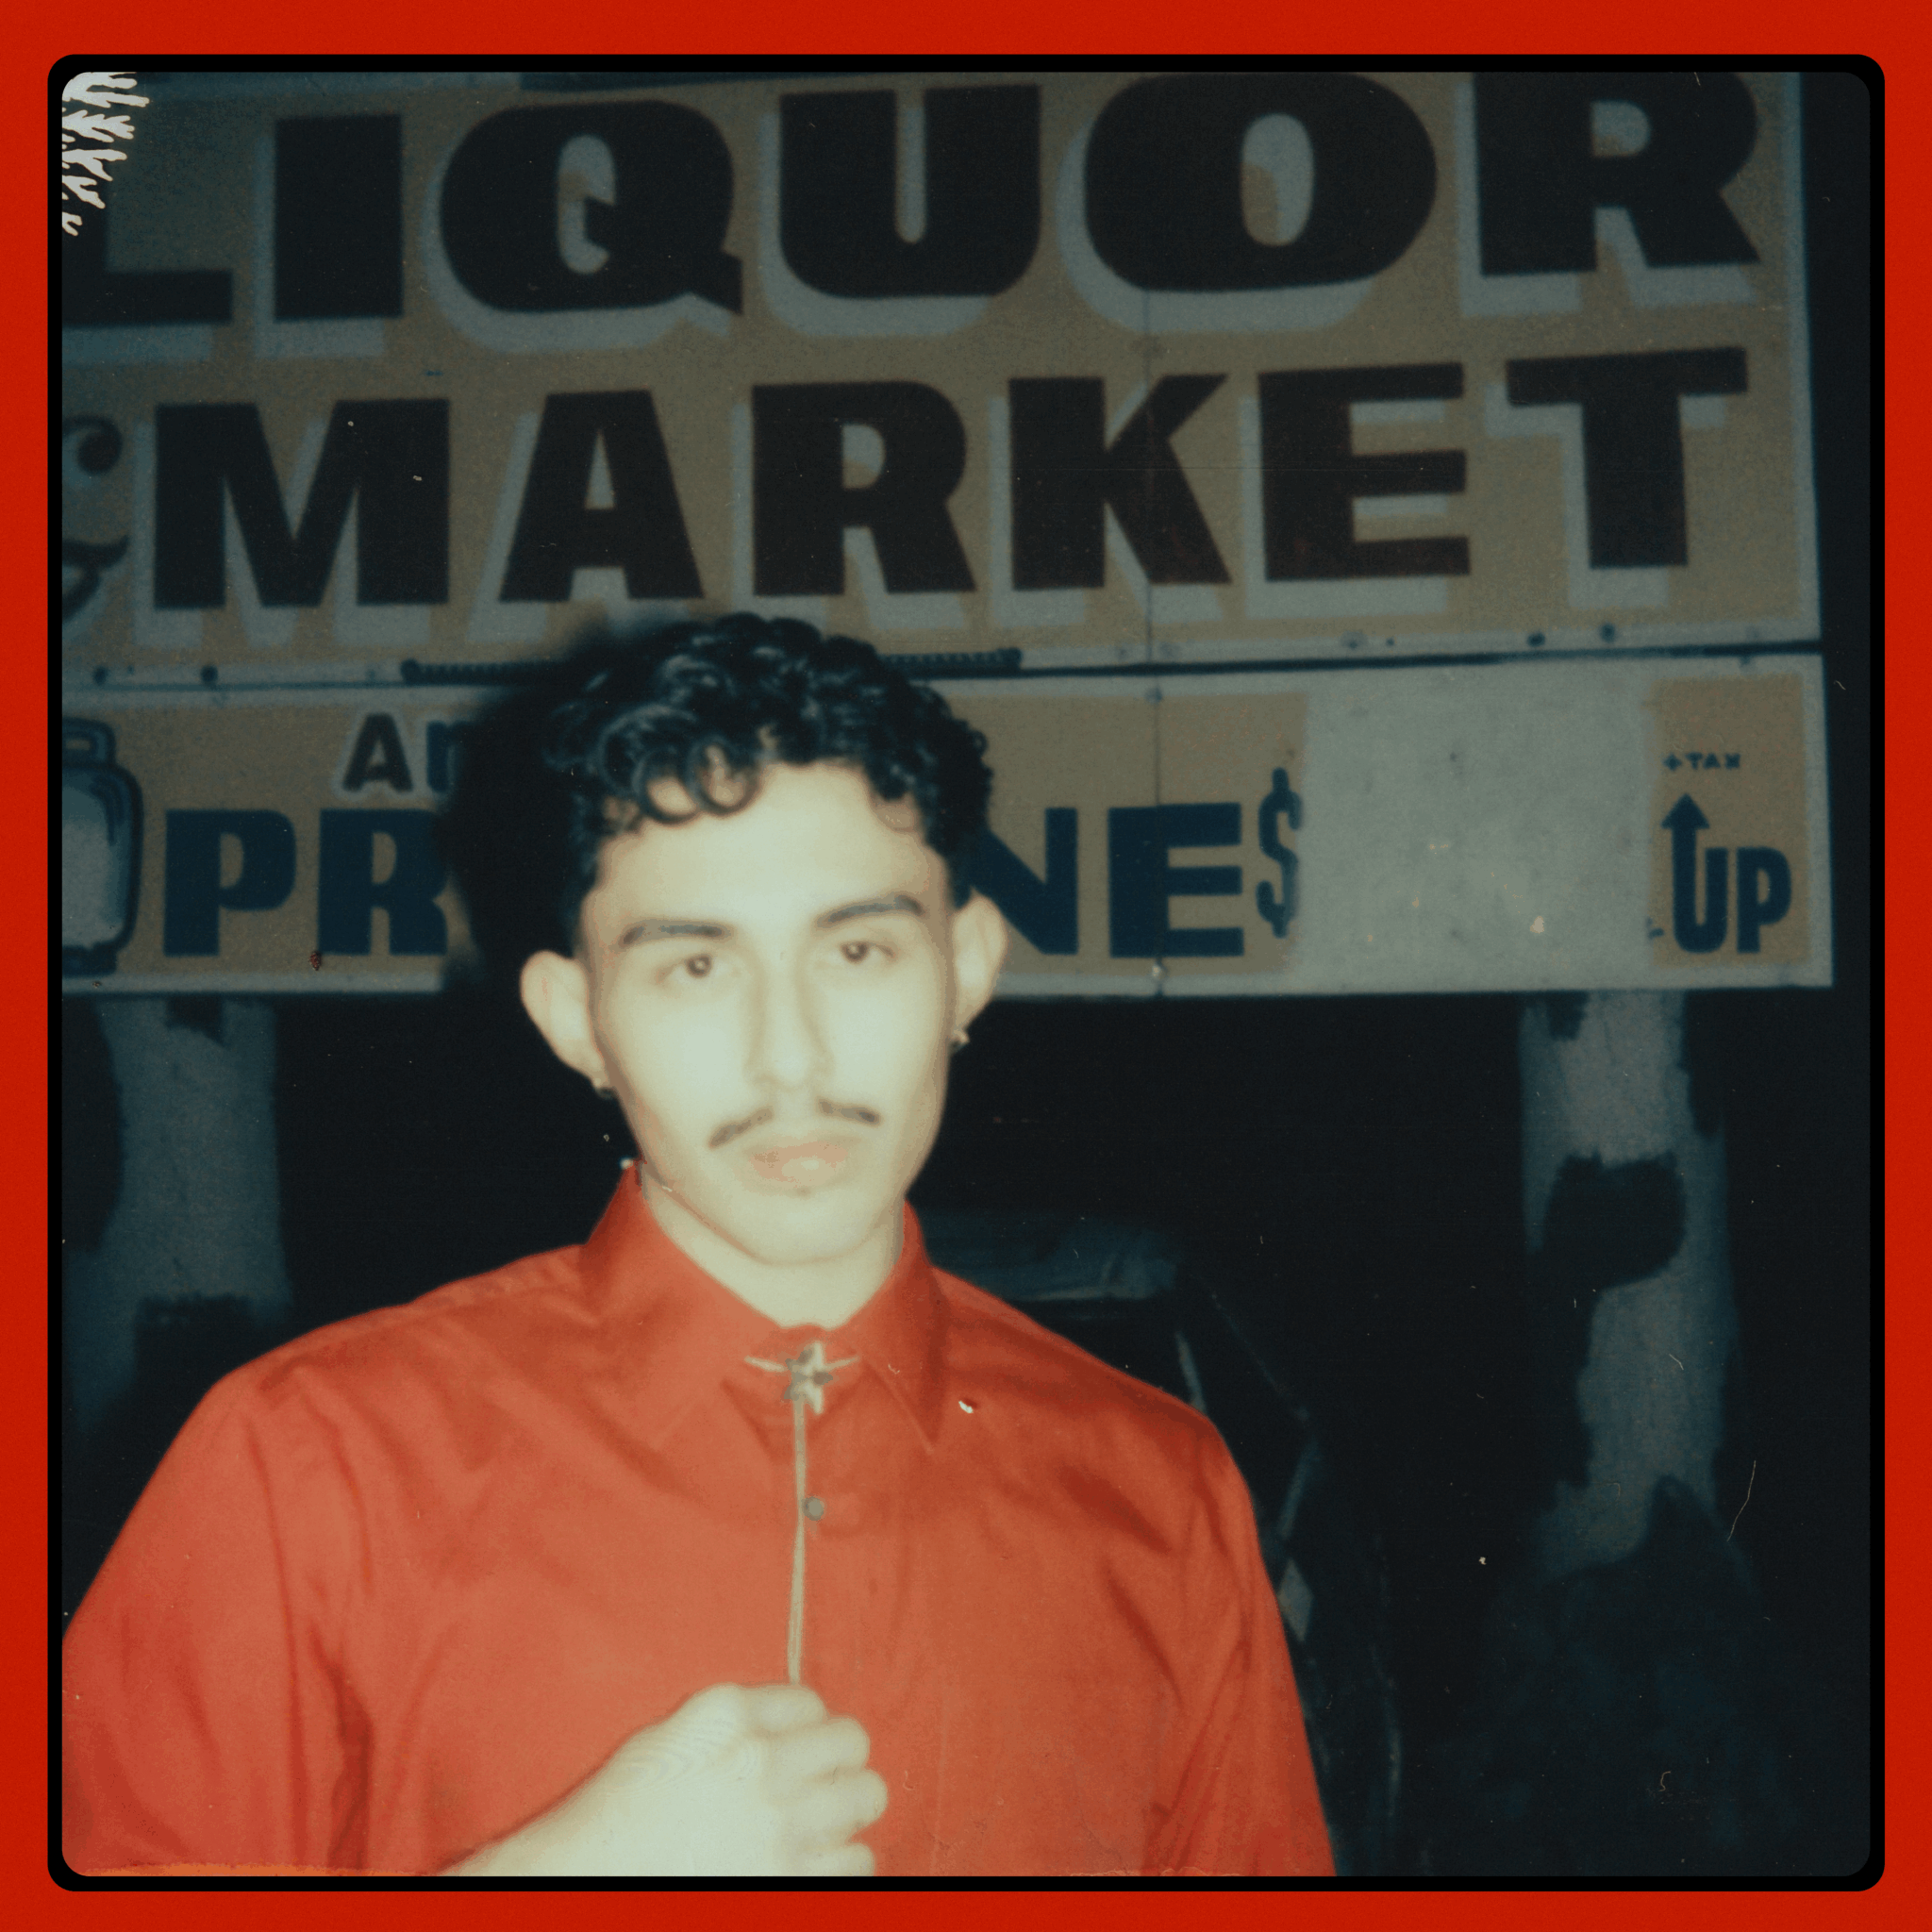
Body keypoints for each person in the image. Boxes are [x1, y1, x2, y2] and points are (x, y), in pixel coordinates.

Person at [61, 615, 1333, 1878]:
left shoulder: (1161, 1493)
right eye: (695, 968)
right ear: (578, 1021)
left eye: (857, 950)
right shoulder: (308, 1462)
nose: (791, 1058)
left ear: (966, 969)